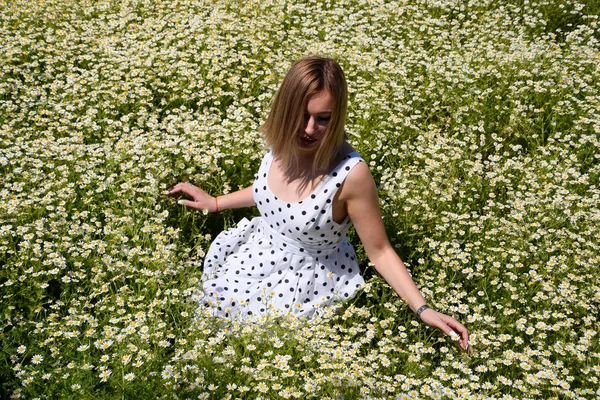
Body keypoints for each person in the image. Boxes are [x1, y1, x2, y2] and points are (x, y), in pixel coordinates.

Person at [167, 56, 470, 350]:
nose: (310, 129)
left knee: (244, 341)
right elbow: (272, 195)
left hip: (303, 280)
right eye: (302, 115)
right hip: (256, 251)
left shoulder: (351, 175)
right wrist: (217, 202)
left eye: (323, 119)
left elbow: (380, 250)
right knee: (201, 322)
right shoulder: (284, 142)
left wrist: (423, 309)